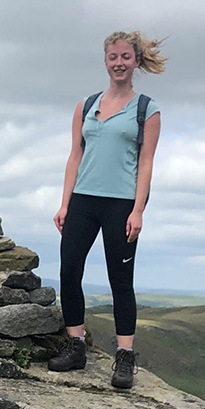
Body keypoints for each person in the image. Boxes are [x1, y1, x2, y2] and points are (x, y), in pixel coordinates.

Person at [48, 31, 166, 389]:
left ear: (136, 61)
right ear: (105, 60)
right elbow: (75, 155)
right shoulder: (86, 105)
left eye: (125, 57)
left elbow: (146, 164)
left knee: (120, 281)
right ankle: (76, 345)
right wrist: (65, 203)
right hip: (83, 200)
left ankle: (125, 358)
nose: (119, 63)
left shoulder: (147, 109)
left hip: (121, 205)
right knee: (69, 270)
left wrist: (138, 210)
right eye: (113, 57)